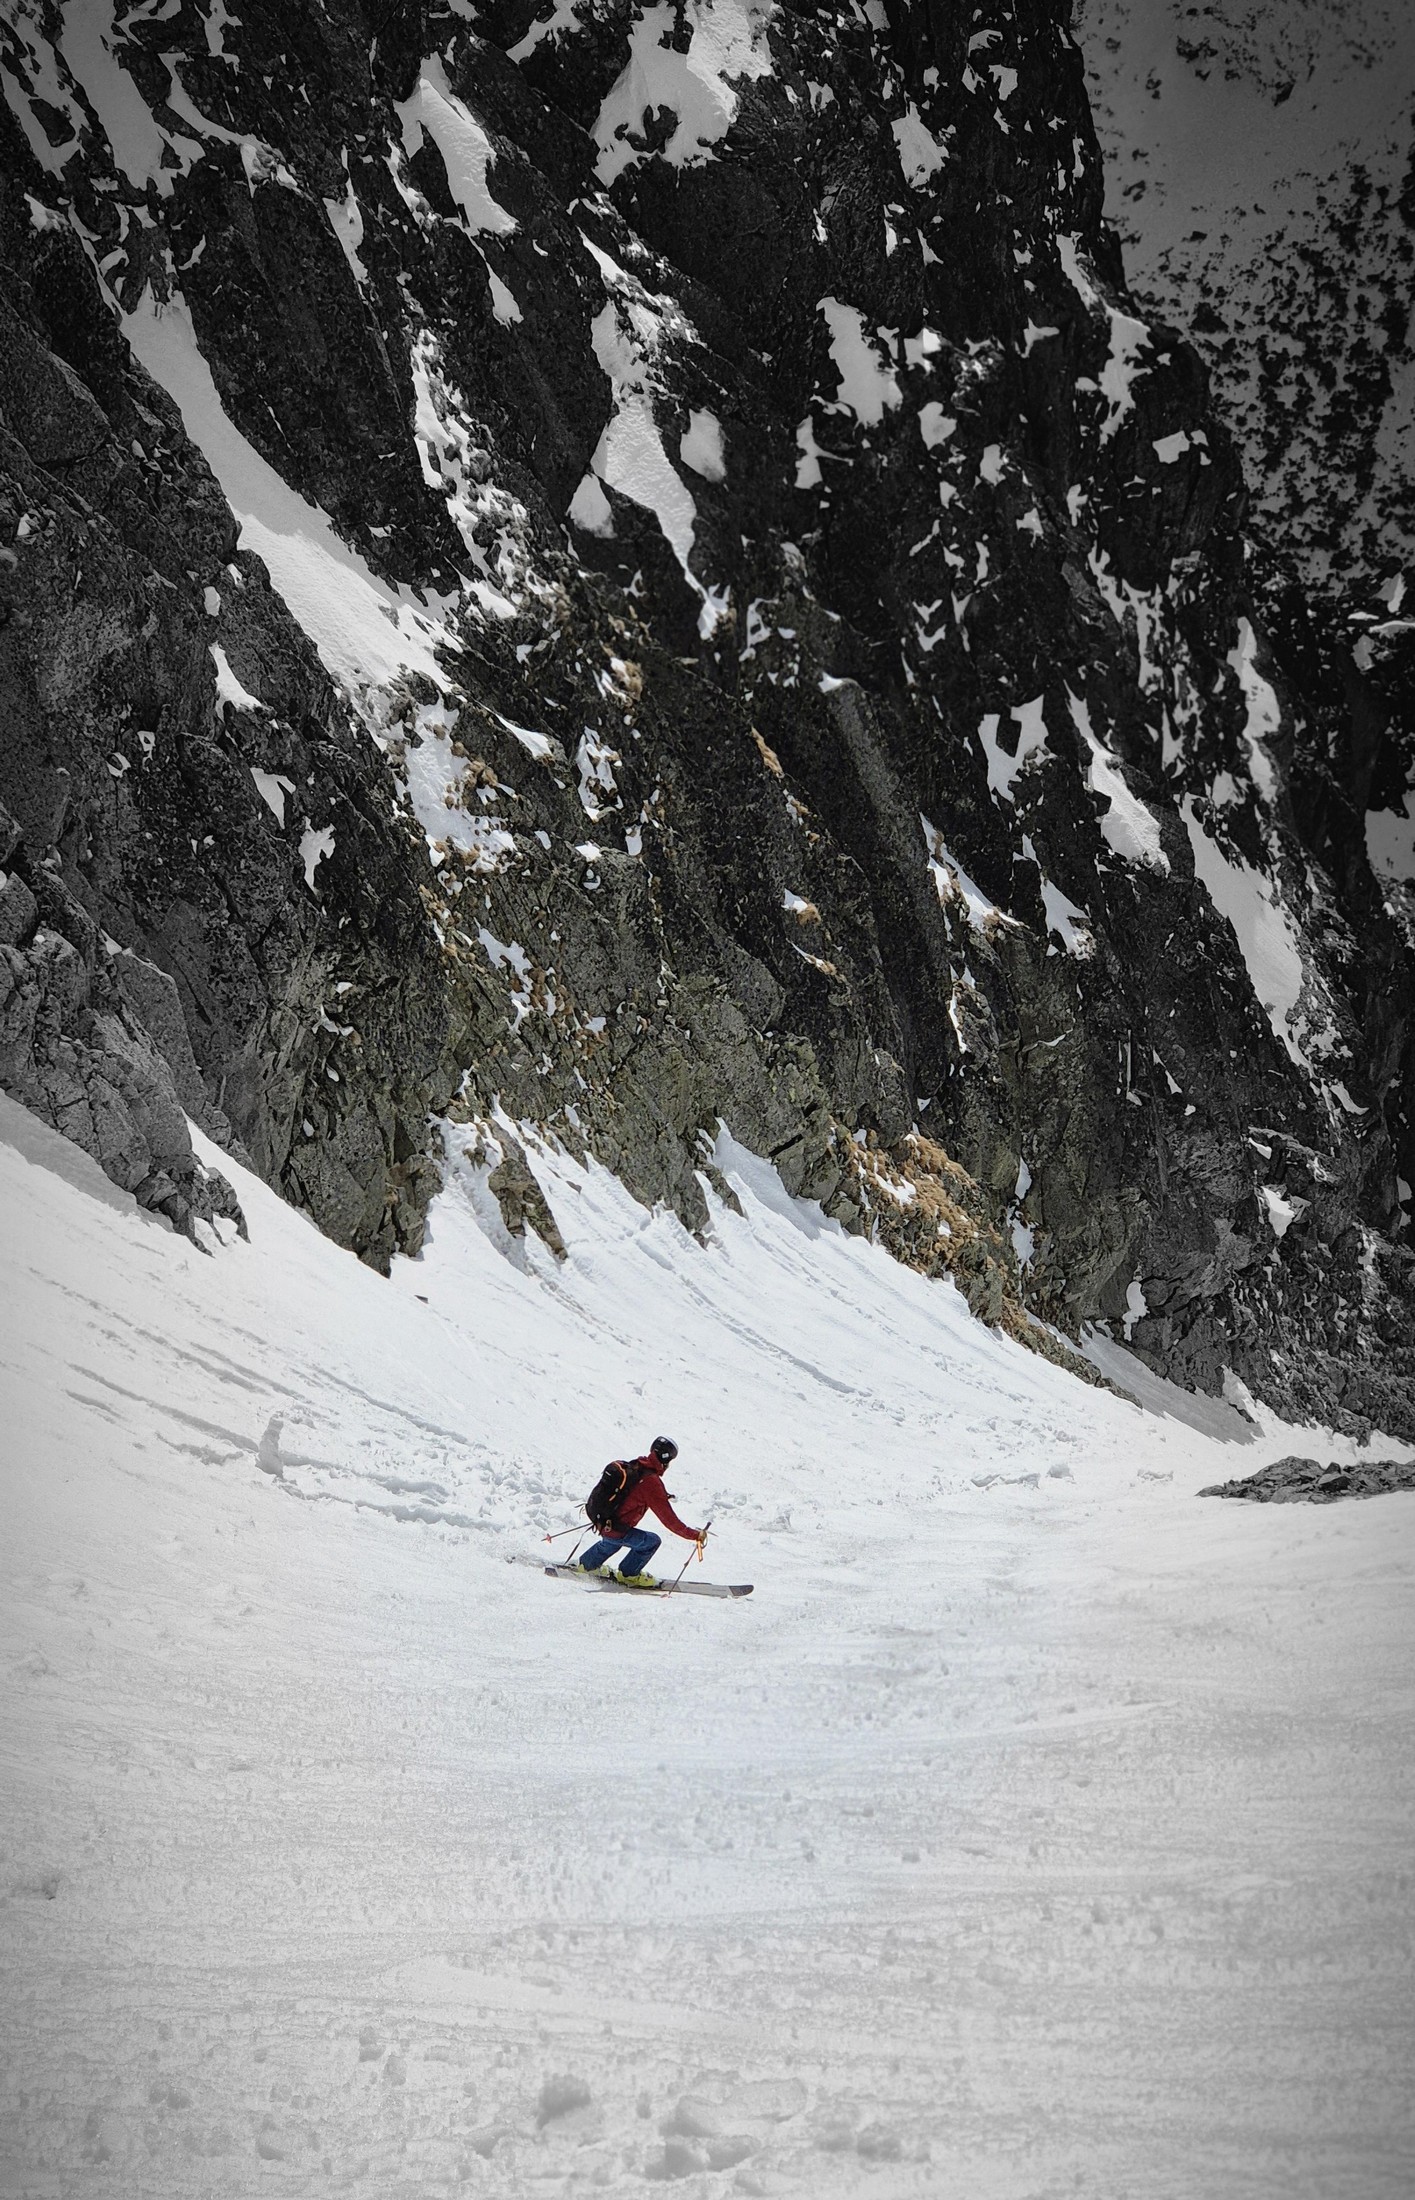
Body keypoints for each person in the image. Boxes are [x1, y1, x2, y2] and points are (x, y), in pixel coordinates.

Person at [579, 1437, 704, 1587]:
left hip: (604, 1521)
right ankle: (629, 1575)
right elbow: (669, 1521)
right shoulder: (651, 1482)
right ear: (666, 1459)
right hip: (617, 1528)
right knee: (652, 1541)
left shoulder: (637, 1465)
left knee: (612, 1541)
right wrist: (695, 1535)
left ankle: (586, 1565)